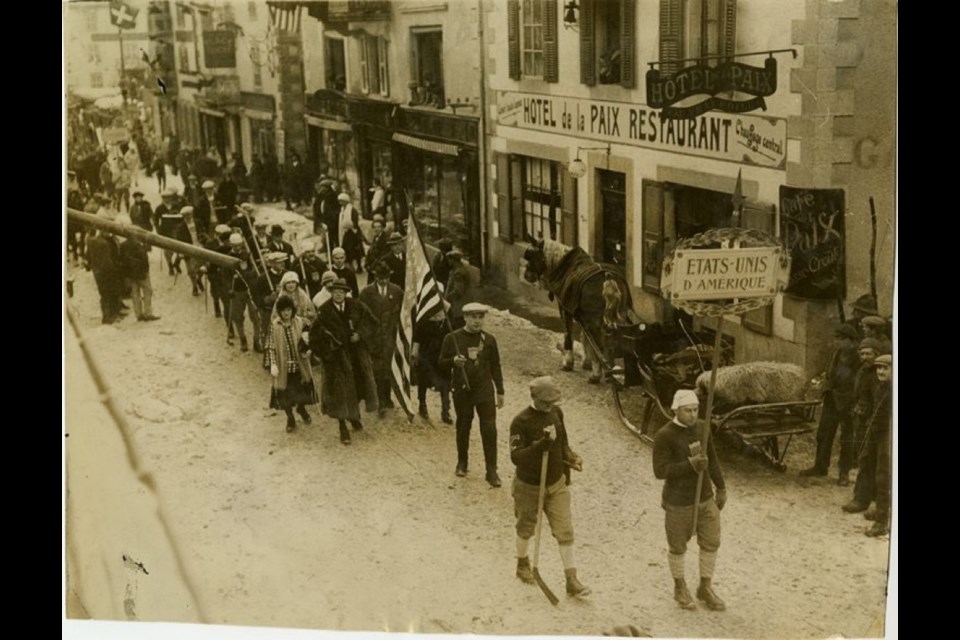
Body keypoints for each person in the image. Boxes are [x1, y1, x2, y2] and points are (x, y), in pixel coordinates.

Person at [509, 376, 589, 597]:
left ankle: (571, 579)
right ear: (534, 397)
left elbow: (563, 442)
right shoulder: (520, 422)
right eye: (546, 402)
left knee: (565, 530)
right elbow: (516, 457)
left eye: (553, 402)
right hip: (529, 485)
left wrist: (570, 457)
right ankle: (523, 563)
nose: (550, 406)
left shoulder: (556, 413)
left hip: (556, 484)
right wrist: (538, 447)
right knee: (526, 527)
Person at [652, 389, 727, 612]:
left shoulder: (703, 428)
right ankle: (679, 586)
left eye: (695, 410)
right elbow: (660, 471)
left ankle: (705, 586)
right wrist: (689, 466)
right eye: (688, 410)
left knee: (711, 541)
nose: (693, 414)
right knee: (677, 546)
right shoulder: (664, 435)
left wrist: (721, 487)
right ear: (676, 410)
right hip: (678, 501)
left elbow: (712, 459)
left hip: (705, 497)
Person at [439, 303, 505, 486]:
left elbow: (496, 366)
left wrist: (500, 391)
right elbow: (441, 363)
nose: (477, 321)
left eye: (480, 317)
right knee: (463, 425)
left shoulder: (489, 340)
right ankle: (462, 462)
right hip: (462, 389)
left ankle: (491, 471)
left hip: (484, 391)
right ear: (465, 318)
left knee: (489, 429)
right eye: (473, 317)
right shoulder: (452, 338)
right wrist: (454, 362)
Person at [309, 278, 380, 445]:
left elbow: (372, 322)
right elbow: (314, 337)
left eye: (341, 292)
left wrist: (360, 334)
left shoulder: (356, 305)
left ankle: (353, 416)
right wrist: (328, 353)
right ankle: (342, 426)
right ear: (331, 293)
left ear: (346, 293)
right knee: (340, 393)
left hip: (356, 357)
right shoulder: (324, 312)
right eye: (335, 292)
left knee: (356, 387)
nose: (338, 295)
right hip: (337, 360)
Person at [800, 324, 861, 484]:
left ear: (851, 341)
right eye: (836, 338)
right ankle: (820, 466)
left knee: (847, 438)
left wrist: (855, 401)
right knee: (824, 434)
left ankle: (844, 473)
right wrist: (825, 385)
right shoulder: (836, 353)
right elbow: (829, 372)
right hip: (832, 399)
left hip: (848, 402)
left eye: (840, 339)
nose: (836, 342)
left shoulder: (859, 358)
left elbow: (859, 383)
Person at [843, 338, 889, 514]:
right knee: (865, 458)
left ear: (876, 353)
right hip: (863, 421)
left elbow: (880, 401)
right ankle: (862, 498)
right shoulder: (862, 371)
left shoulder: (881, 374)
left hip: (876, 422)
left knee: (878, 462)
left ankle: (876, 503)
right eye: (862, 353)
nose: (864, 357)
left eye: (868, 353)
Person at [359, 261, 404, 415]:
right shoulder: (366, 293)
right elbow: (361, 316)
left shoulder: (397, 291)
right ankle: (380, 401)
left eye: (386, 278)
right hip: (374, 337)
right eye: (380, 278)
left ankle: (388, 397)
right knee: (377, 369)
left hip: (391, 337)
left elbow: (402, 313)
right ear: (375, 277)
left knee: (390, 368)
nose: (384, 281)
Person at [268, 296, 318, 433]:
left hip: (299, 365)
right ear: (279, 311)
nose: (286, 313)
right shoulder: (275, 325)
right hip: (283, 368)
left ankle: (301, 408)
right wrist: (273, 364)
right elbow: (271, 346)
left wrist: (308, 349)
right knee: (285, 396)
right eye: (283, 310)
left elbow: (308, 336)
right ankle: (290, 417)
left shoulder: (299, 322)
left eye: (288, 310)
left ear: (292, 310)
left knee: (301, 391)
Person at [863, 354, 892, 537]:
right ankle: (882, 509)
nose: (880, 371)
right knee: (873, 468)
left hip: (889, 435)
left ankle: (882, 521)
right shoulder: (881, 387)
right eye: (878, 368)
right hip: (877, 432)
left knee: (884, 475)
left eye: (885, 368)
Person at [116, 215, 159, 322]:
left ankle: (138, 315)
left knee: (135, 294)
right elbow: (144, 259)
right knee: (148, 291)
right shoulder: (138, 245)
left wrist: (126, 275)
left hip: (131, 274)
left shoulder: (123, 245)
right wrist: (146, 271)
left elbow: (122, 261)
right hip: (141, 273)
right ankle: (148, 313)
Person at [413, 306, 452, 423]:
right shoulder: (424, 315)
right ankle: (422, 405)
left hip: (443, 354)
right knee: (423, 380)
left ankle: (446, 410)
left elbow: (453, 336)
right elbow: (417, 337)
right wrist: (415, 353)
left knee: (445, 382)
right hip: (426, 355)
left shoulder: (447, 315)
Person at [227, 242, 261, 352]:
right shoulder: (227, 257)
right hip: (237, 291)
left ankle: (257, 341)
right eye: (234, 245)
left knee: (255, 316)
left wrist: (252, 278)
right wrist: (229, 289)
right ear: (231, 245)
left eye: (239, 245)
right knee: (238, 317)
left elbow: (254, 269)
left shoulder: (247, 255)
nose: (237, 247)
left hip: (250, 290)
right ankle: (243, 339)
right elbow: (225, 276)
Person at [85, 229, 124, 324]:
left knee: (106, 293)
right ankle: (108, 317)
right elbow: (108, 260)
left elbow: (88, 257)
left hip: (97, 271)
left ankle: (111, 314)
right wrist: (114, 269)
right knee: (108, 293)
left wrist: (90, 266)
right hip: (107, 271)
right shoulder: (104, 244)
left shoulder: (91, 242)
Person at [154, 187, 184, 275]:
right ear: (162, 198)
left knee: (179, 249)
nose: (167, 199)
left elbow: (181, 217)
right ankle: (170, 266)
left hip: (176, 230)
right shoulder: (159, 208)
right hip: (165, 231)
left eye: (168, 197)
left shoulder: (176, 206)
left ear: (171, 198)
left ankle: (177, 263)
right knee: (167, 250)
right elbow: (156, 221)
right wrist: (158, 231)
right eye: (165, 197)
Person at [444, 249, 471, 330]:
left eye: (449, 260)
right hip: (458, 306)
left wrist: (446, 299)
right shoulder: (456, 270)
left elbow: (458, 291)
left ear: (453, 260)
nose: (448, 262)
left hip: (459, 307)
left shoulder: (459, 272)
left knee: (458, 328)